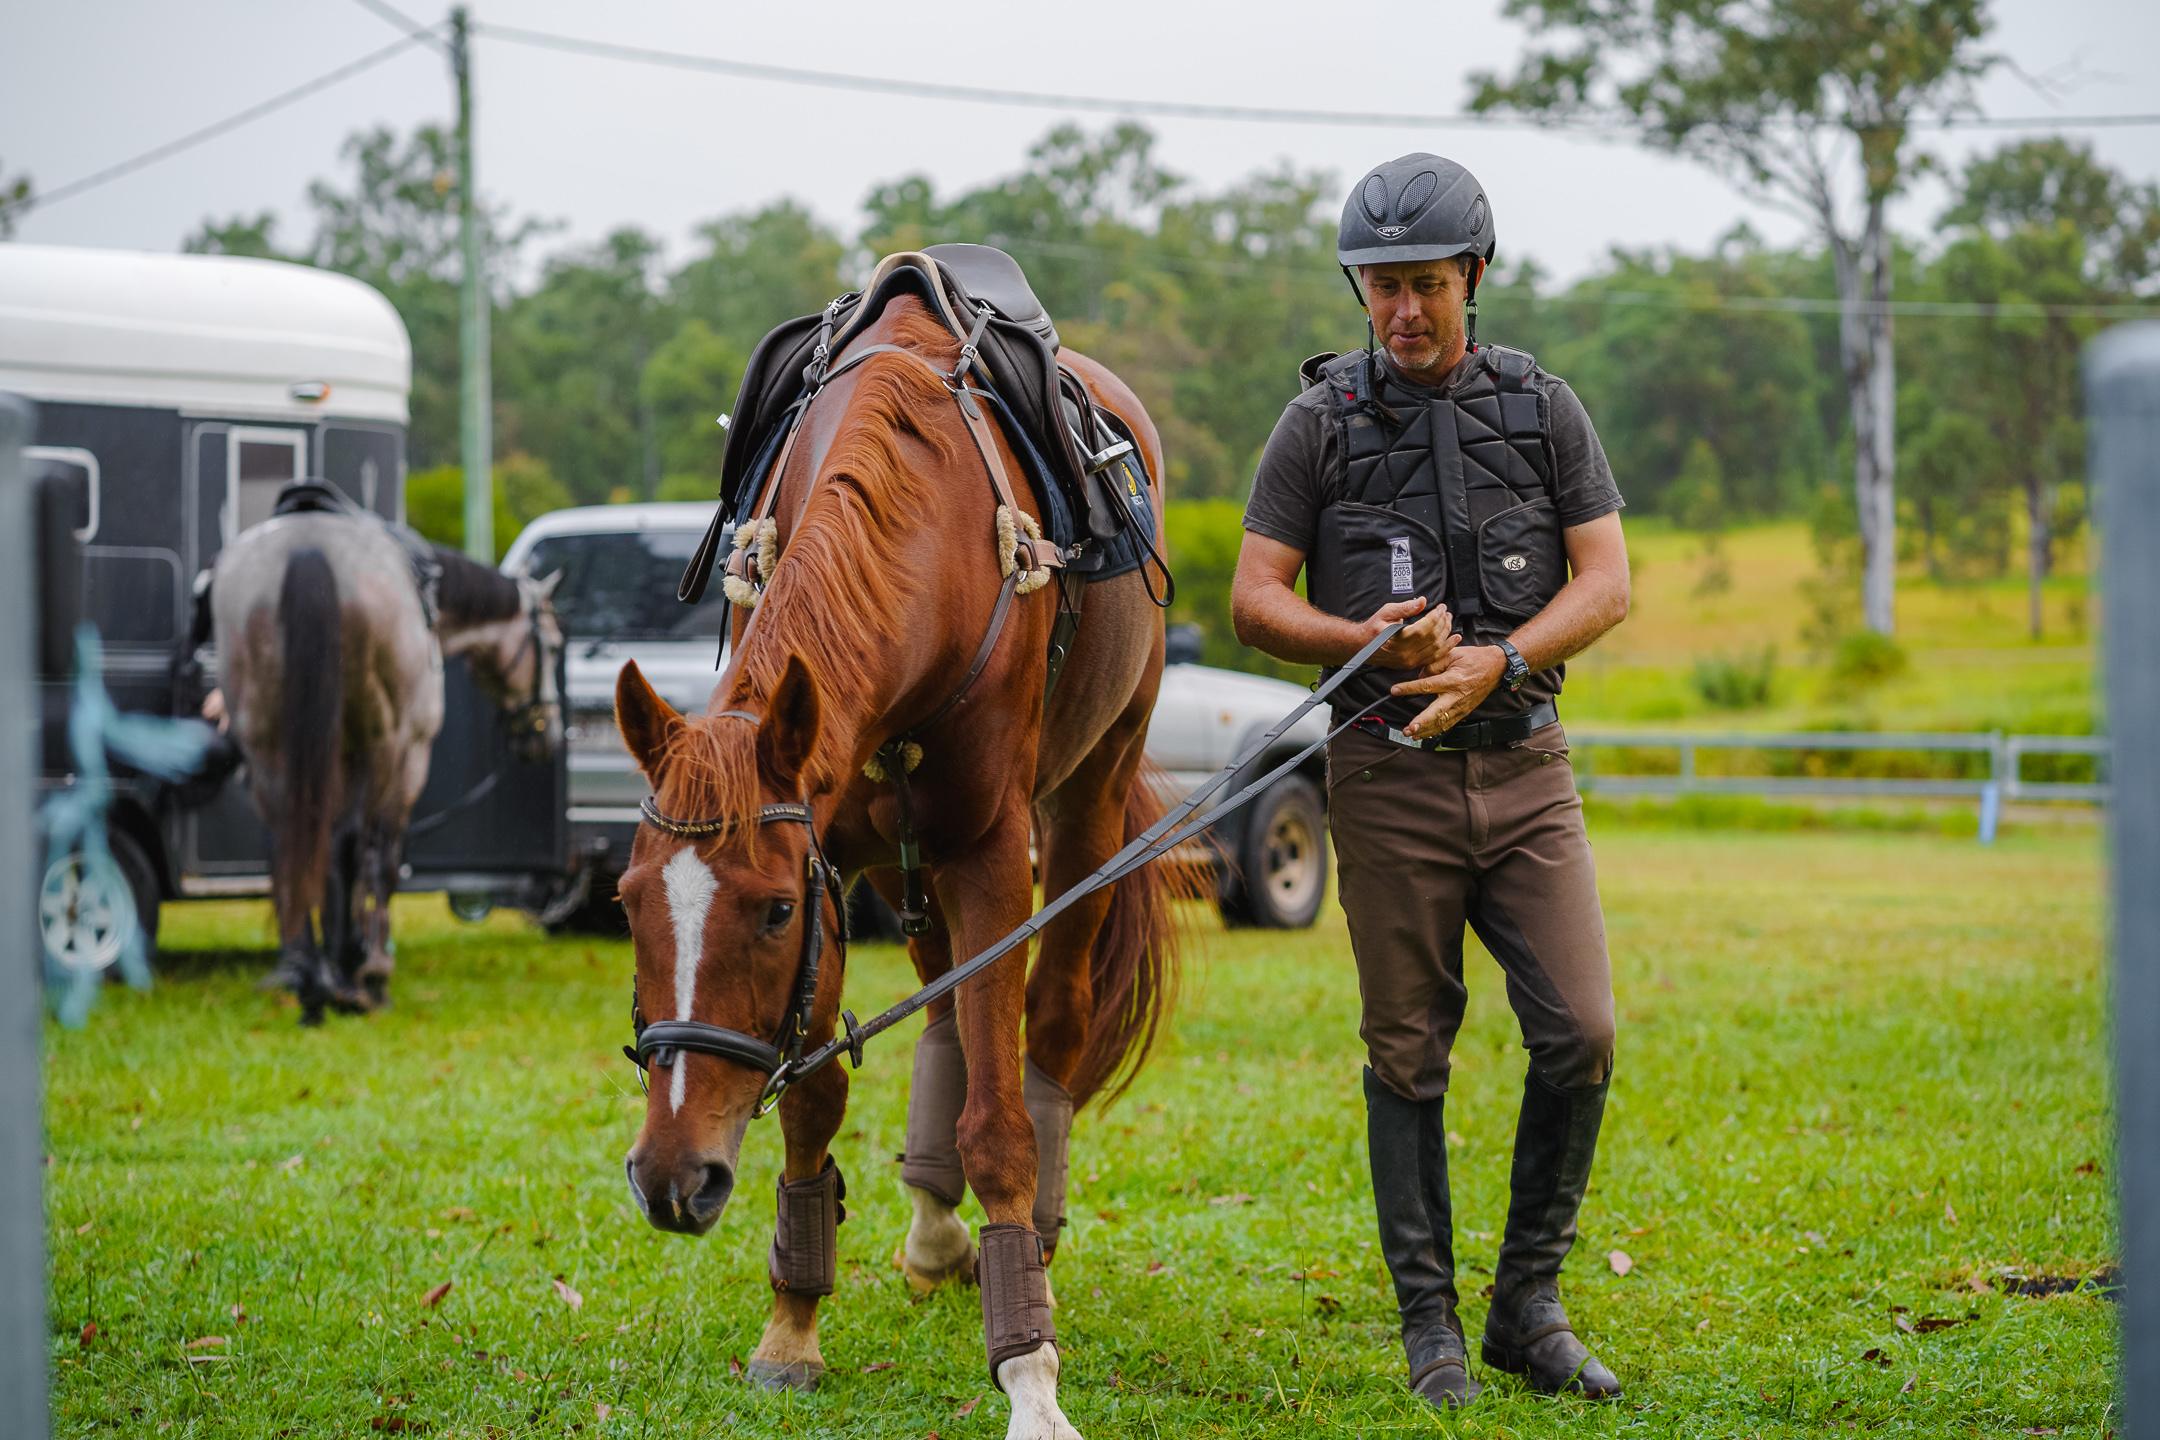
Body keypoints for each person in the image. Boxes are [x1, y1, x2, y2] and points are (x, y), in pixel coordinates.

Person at [1230, 154, 1631, 1408]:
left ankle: (1528, 1305)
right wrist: (1365, 644)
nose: (1403, 310)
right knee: (1408, 1052)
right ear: (1358, 290)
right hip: (1387, 778)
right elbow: (1254, 597)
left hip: (1527, 771)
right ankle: (1433, 1332)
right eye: (1379, 286)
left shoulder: (1545, 407)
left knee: (1582, 1032)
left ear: (1472, 277)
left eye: (1426, 284)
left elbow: (1606, 581)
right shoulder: (1318, 424)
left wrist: (1501, 659)